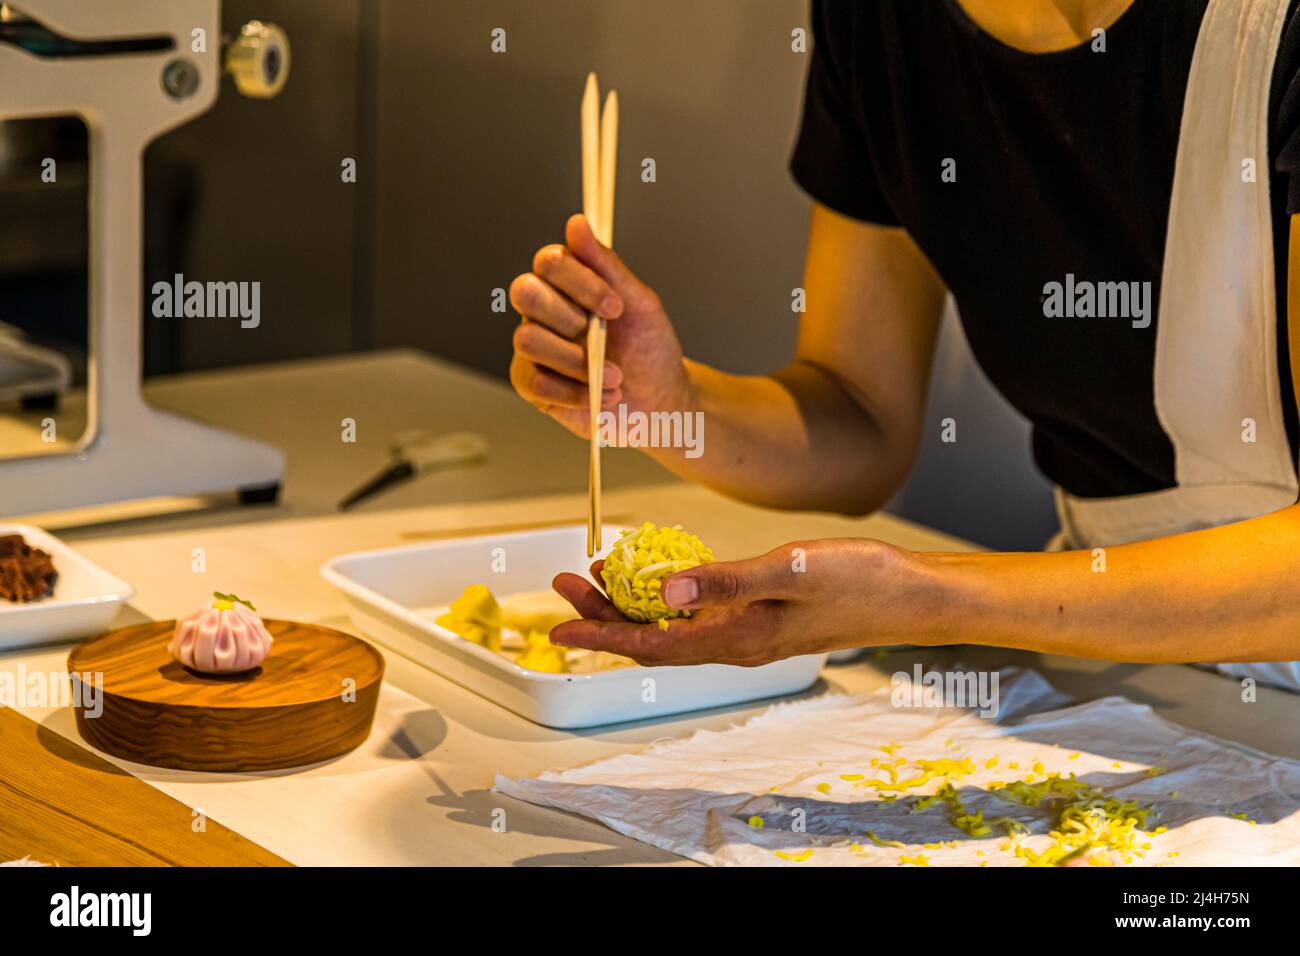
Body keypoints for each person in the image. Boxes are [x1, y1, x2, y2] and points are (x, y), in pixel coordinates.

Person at [507, 0, 1300, 690]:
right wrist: (668, 408)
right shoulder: (885, 20)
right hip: (1111, 662)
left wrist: (931, 597)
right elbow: (858, 413)